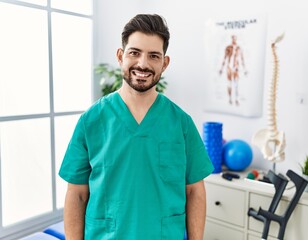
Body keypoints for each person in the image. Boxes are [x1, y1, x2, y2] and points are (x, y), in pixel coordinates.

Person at [59, 14, 214, 240]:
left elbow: (194, 191)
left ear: (165, 63)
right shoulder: (91, 121)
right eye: (134, 53)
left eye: (153, 56)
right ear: (121, 56)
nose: (143, 64)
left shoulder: (181, 123)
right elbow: (77, 194)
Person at [219, 35, 247, 105]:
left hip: (236, 67)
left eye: (235, 39)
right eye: (233, 39)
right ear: (232, 39)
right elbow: (224, 58)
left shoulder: (239, 48)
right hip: (229, 67)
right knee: (229, 83)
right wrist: (221, 69)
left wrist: (244, 69)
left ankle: (236, 99)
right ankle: (230, 99)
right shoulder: (228, 48)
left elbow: (242, 58)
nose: (234, 40)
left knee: (236, 84)